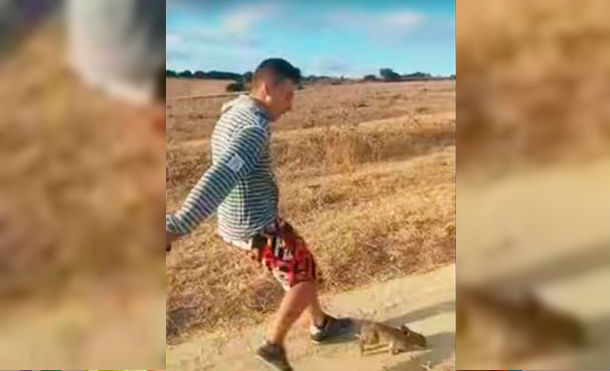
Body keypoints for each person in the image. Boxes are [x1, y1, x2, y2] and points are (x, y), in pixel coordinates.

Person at [166, 58, 353, 371]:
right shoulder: (253, 130)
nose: (291, 106)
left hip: (246, 218)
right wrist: (178, 225)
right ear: (268, 89)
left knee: (301, 262)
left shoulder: (235, 111)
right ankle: (273, 346)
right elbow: (220, 176)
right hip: (256, 225)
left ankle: (320, 323)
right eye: (288, 95)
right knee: (303, 280)